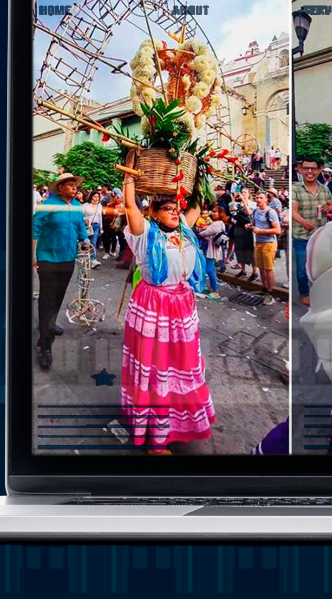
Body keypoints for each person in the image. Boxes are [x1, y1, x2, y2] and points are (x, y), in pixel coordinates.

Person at [120, 160, 217, 454]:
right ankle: (155, 438)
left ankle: (179, 422)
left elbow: (198, 203)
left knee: (182, 365)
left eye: (177, 208)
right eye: (168, 209)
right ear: (154, 212)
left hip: (182, 305)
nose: (175, 213)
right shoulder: (145, 233)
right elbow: (130, 206)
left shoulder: (184, 230)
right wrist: (129, 171)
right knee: (157, 366)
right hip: (154, 307)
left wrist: (199, 171)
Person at [31, 172, 90, 370]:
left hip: (68, 259)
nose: (75, 188)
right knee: (47, 299)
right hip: (48, 258)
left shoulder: (76, 206)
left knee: (58, 296)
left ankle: (50, 324)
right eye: (71, 185)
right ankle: (45, 346)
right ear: (61, 187)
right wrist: (32, 254)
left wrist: (85, 240)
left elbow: (80, 226)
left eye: (75, 185)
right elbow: (34, 228)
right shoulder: (48, 204)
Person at [291, 156, 332, 307]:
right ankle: (304, 293)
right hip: (302, 237)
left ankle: (320, 292)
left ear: (318, 170)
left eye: (313, 168)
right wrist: (303, 222)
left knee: (321, 267)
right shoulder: (295, 188)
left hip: (320, 237)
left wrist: (330, 208)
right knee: (302, 269)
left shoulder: (324, 188)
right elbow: (293, 211)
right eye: (306, 168)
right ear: (301, 170)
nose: (310, 171)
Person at [250, 191, 282, 304]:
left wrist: (260, 231)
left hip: (269, 243)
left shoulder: (271, 212)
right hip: (258, 242)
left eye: (261, 198)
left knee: (268, 268)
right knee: (261, 267)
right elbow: (253, 224)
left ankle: (270, 292)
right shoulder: (255, 211)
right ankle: (264, 288)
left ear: (266, 200)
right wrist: (249, 226)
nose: (258, 200)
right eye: (257, 197)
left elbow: (277, 230)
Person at [193, 208, 226, 300]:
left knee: (209, 269)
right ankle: (212, 288)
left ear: (221, 213)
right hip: (212, 248)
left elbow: (204, 233)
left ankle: (215, 291)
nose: (213, 213)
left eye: (216, 212)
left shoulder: (216, 224)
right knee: (210, 269)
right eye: (213, 211)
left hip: (211, 249)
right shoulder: (220, 223)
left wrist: (200, 231)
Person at [229, 188, 256, 279]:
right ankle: (243, 270)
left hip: (247, 229)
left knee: (249, 250)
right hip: (238, 227)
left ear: (249, 194)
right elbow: (232, 213)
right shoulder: (237, 204)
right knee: (239, 249)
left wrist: (244, 201)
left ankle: (254, 272)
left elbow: (249, 213)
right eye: (242, 192)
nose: (243, 194)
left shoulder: (252, 204)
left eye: (245, 192)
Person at [81, 192, 103, 268]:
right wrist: (85, 220)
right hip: (87, 226)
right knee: (86, 242)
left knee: (94, 242)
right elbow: (80, 216)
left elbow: (100, 217)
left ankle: (93, 259)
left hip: (96, 226)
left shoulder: (99, 206)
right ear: (91, 197)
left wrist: (101, 227)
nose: (96, 198)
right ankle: (85, 258)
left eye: (98, 197)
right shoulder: (85, 206)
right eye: (94, 196)